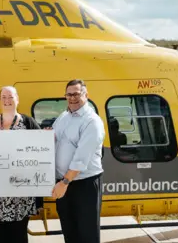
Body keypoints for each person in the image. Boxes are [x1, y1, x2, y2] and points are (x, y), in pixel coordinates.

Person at [0, 86, 43, 243]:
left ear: (17, 100)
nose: (7, 100)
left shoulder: (29, 123)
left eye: (11, 97)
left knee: (19, 234)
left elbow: (41, 157)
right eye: (4, 97)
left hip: (21, 194)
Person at [51, 79, 105, 243]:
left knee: (86, 234)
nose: (72, 98)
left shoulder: (92, 121)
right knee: (70, 231)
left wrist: (65, 182)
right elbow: (55, 138)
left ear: (86, 95)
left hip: (84, 184)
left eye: (76, 94)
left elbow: (81, 158)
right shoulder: (64, 116)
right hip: (64, 184)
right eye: (69, 94)